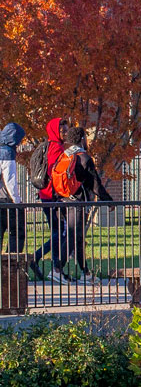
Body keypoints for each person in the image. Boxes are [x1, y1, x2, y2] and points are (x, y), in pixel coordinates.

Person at [49, 126, 110, 284]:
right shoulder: (83, 158)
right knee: (72, 237)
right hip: (77, 203)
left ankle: (86, 273)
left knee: (78, 238)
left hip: (63, 201)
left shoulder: (65, 155)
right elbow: (95, 184)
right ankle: (57, 269)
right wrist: (108, 201)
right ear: (82, 138)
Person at [28, 118, 69, 284]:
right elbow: (55, 174)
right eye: (63, 131)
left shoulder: (48, 146)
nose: (65, 133)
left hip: (46, 196)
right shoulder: (56, 148)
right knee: (61, 232)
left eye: (67, 130)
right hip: (52, 197)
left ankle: (56, 268)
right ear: (55, 131)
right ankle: (36, 257)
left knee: (57, 232)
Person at [0, 122, 23, 254]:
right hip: (6, 200)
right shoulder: (7, 153)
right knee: (16, 232)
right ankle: (12, 264)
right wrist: (17, 201)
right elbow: (10, 180)